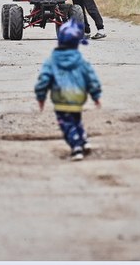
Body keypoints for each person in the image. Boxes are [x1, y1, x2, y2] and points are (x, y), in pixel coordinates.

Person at [34, 19, 102, 161]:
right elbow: (91, 77)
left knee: (66, 124)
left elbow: (44, 79)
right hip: (78, 97)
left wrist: (41, 97)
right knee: (76, 120)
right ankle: (83, 139)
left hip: (61, 98)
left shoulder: (52, 60)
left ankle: (76, 146)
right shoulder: (81, 60)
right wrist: (95, 95)